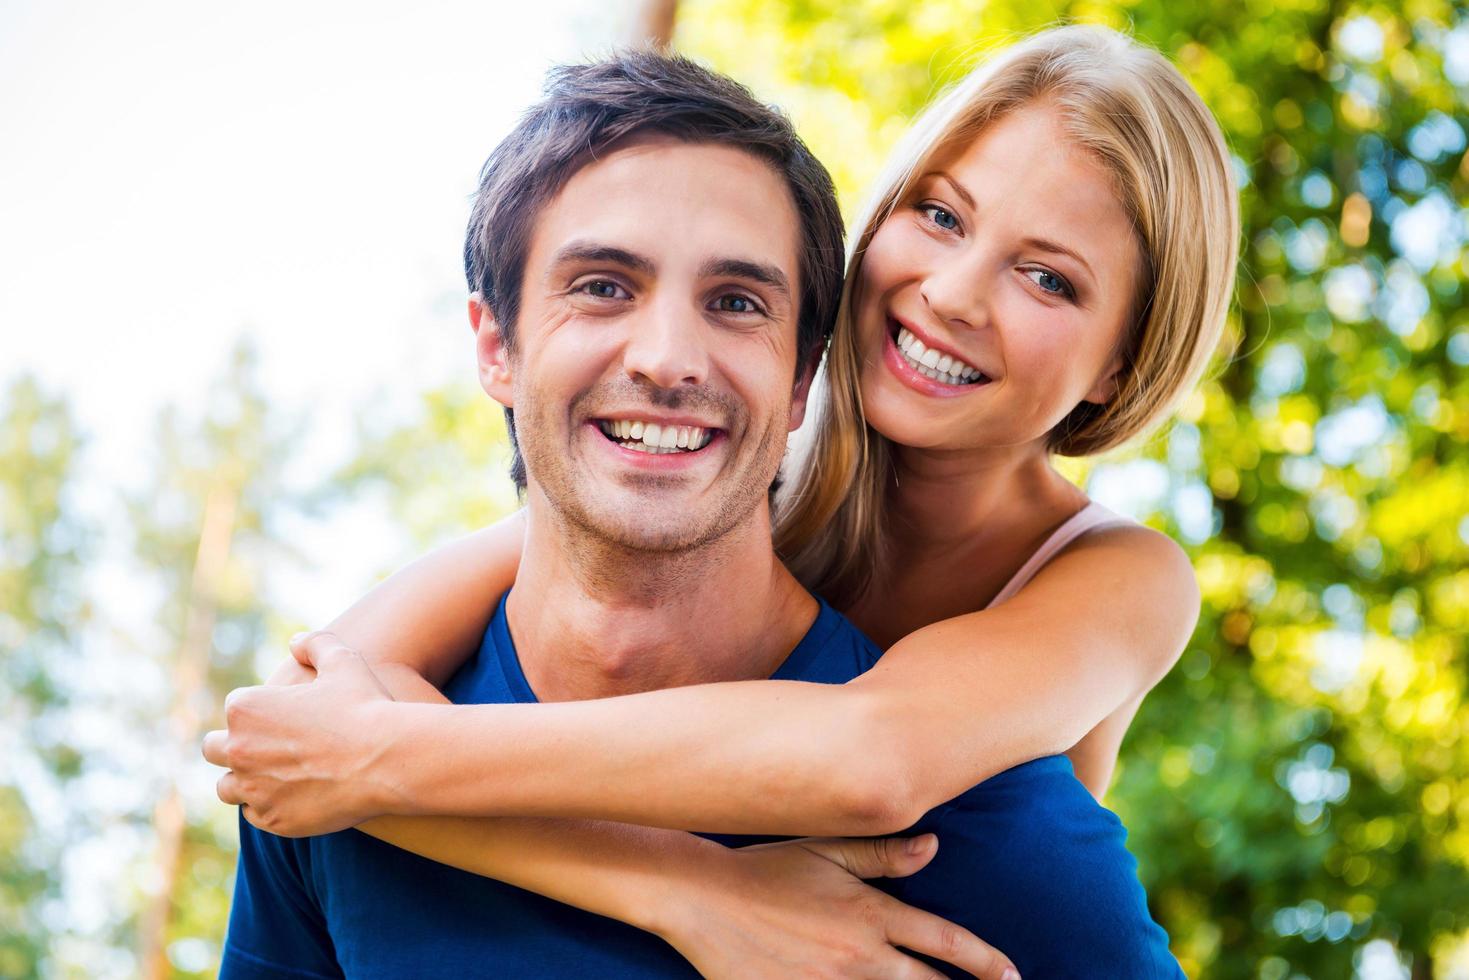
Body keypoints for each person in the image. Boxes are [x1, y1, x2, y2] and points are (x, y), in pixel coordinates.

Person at [211, 23, 1237, 976]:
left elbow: (869, 757)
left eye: (1048, 280)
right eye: (938, 215)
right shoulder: (723, 473)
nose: (954, 292)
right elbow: (314, 731)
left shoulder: (1112, 576)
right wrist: (683, 886)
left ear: (1121, 362)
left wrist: (376, 754)